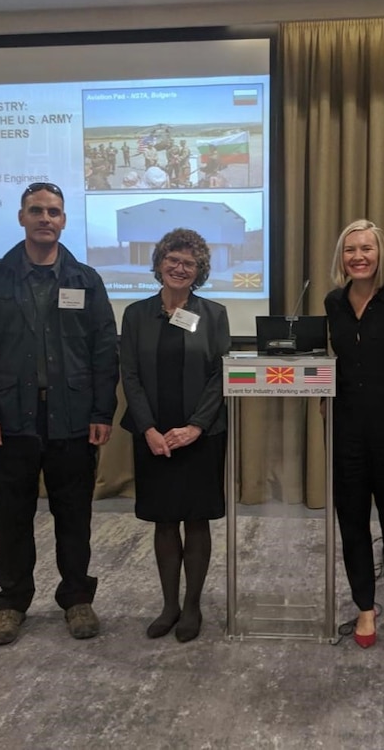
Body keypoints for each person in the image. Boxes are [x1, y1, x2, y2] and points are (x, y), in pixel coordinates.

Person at [0, 182, 119, 646]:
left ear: (65, 220)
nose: (45, 218)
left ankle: (76, 598)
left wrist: (102, 411)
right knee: (11, 517)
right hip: (11, 420)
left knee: (75, 515)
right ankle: (11, 603)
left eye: (53, 211)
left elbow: (103, 351)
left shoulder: (86, 279)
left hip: (72, 419)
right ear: (21, 217)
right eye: (36, 211)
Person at [120, 228, 230, 643]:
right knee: (164, 521)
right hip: (153, 435)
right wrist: (148, 428)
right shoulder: (135, 314)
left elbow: (221, 374)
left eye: (189, 263)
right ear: (159, 264)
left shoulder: (214, 314)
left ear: (199, 270)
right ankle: (168, 604)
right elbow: (129, 375)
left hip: (199, 435)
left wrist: (196, 427)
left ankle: (192, 606)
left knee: (196, 519)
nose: (180, 268)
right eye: (173, 260)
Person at [324, 219, 384, 648]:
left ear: (380, 255)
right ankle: (364, 606)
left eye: (366, 249)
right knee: (352, 522)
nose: (358, 256)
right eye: (349, 249)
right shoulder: (333, 302)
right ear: (341, 257)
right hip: (346, 430)